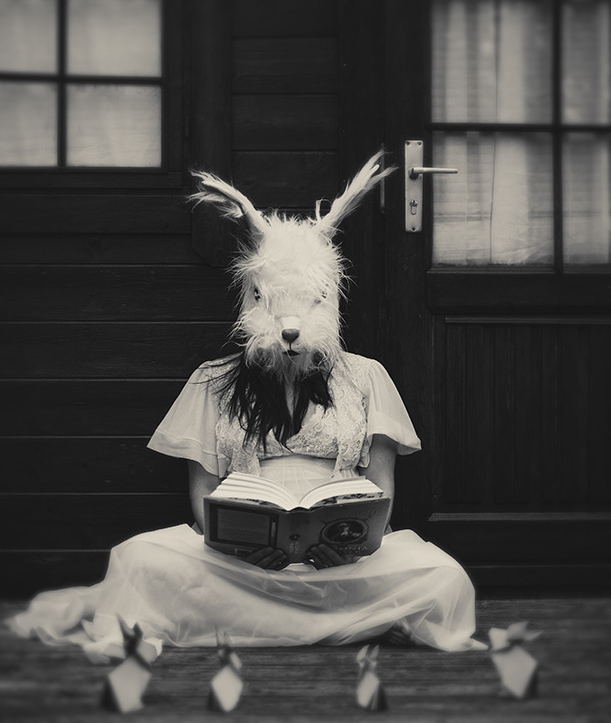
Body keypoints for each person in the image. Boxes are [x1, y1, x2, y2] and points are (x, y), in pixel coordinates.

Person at [8, 155, 486, 661]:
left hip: (343, 561)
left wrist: (350, 544)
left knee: (444, 576)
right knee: (139, 559)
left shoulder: (366, 376)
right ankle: (357, 618)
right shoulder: (214, 380)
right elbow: (203, 491)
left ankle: (302, 613)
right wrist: (238, 547)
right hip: (241, 563)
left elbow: (381, 488)